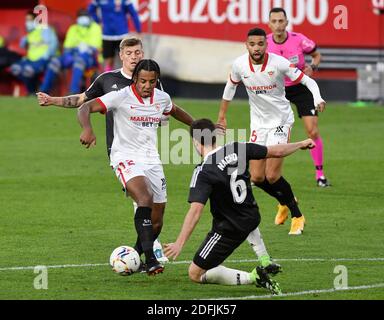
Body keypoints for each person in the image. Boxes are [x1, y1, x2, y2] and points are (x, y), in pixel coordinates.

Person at [37, 37, 170, 263]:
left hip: (148, 153)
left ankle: (139, 251)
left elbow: (164, 111)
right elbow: (81, 100)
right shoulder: (108, 80)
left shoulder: (152, 82)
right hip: (120, 150)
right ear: (121, 56)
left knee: (148, 203)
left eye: (137, 52)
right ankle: (150, 250)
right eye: (129, 53)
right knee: (141, 197)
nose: (134, 57)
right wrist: (54, 100)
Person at [164, 119, 315, 294]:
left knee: (195, 273)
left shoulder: (204, 171)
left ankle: (254, 277)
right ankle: (265, 259)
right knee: (243, 213)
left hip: (229, 229)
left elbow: (196, 210)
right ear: (214, 137)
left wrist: (179, 243)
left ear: (195, 142)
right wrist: (301, 143)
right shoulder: (238, 148)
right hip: (252, 216)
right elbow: (277, 151)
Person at [77, 59, 194, 275]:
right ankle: (151, 260)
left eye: (152, 81)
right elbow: (85, 107)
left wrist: (197, 125)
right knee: (144, 199)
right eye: (143, 81)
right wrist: (87, 129)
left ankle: (133, 255)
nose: (147, 86)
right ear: (134, 79)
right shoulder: (121, 96)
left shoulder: (161, 98)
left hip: (152, 160)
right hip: (124, 156)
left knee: (157, 222)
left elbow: (175, 110)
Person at [216, 28, 326, 236]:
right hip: (258, 124)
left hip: (280, 121)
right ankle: (284, 202)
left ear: (266, 45)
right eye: (252, 44)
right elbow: (230, 88)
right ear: (246, 45)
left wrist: (317, 98)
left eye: (260, 44)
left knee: (273, 176)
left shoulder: (278, 63)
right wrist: (222, 115)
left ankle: (297, 215)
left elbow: (307, 80)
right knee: (257, 177)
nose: (256, 48)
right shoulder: (239, 65)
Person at [267, 7, 330, 189]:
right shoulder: (265, 43)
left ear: (287, 23)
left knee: (313, 131)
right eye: (274, 21)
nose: (278, 25)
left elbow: (317, 55)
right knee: (270, 133)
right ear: (269, 24)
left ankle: (320, 174)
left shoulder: (299, 40)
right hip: (277, 92)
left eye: (281, 21)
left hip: (301, 88)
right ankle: (261, 175)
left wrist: (313, 67)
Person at [40, 9, 102, 94]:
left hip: (90, 57)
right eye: (81, 16)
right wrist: (69, 54)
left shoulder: (95, 27)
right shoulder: (73, 28)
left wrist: (85, 49)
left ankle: (73, 91)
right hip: (73, 54)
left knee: (79, 62)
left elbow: (95, 47)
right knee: (54, 62)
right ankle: (43, 91)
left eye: (85, 16)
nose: (83, 18)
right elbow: (67, 46)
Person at [10, 11, 58, 95]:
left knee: (28, 70)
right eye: (26, 20)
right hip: (30, 60)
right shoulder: (30, 33)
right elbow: (22, 45)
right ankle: (32, 89)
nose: (28, 22)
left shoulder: (45, 30)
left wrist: (46, 56)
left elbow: (53, 44)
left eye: (30, 20)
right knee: (15, 68)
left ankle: (32, 91)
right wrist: (25, 39)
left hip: (42, 59)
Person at [88, 0, 142, 72]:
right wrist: (98, 21)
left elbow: (133, 13)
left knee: (125, 59)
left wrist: (138, 30)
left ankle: (126, 79)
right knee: (108, 61)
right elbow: (90, 10)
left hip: (122, 35)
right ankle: (108, 80)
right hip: (107, 35)